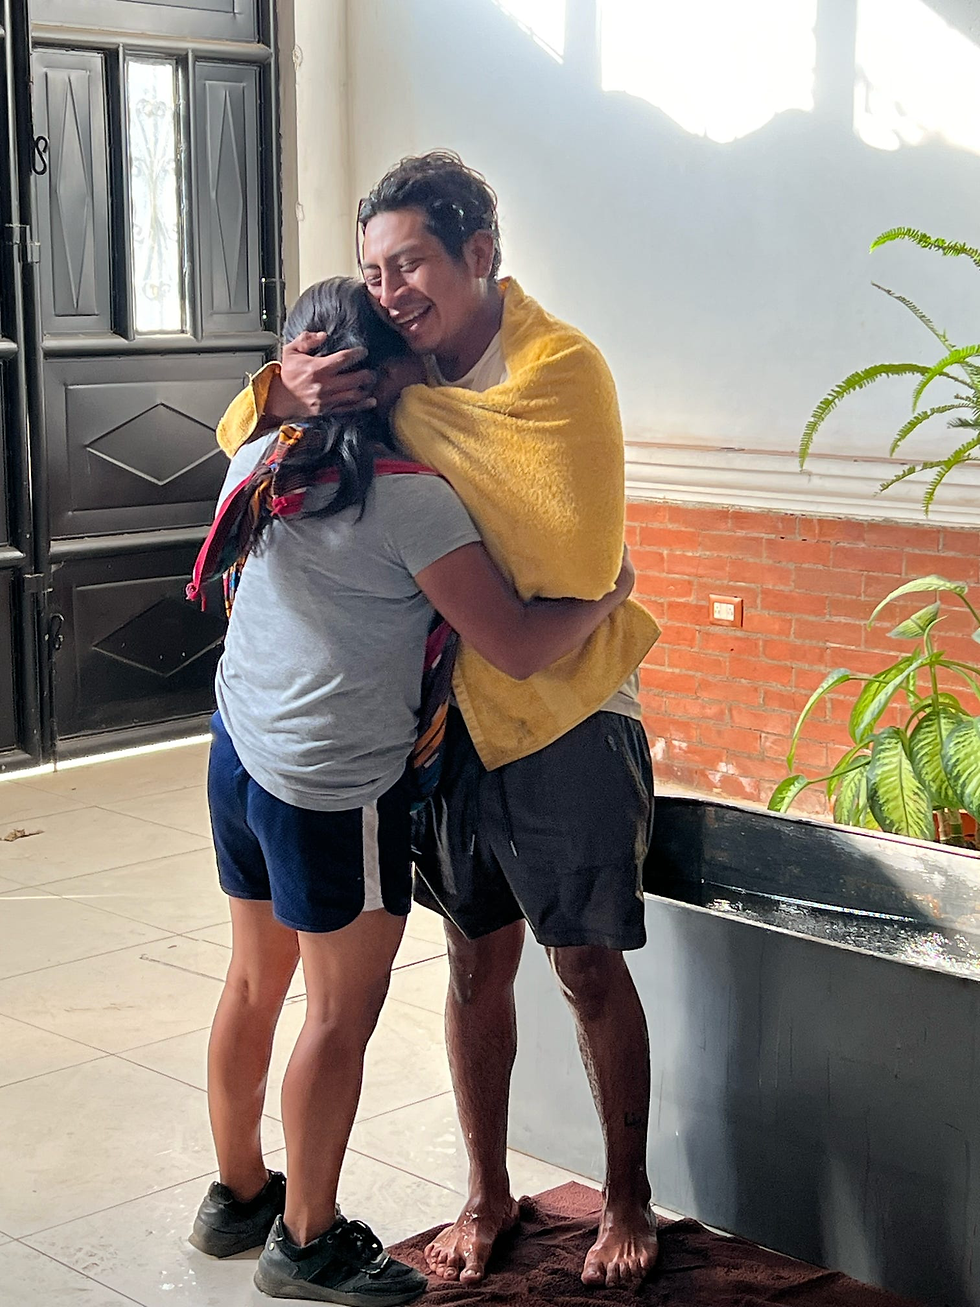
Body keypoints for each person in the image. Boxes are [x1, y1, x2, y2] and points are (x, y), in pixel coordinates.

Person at [214, 152, 662, 1291]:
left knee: (586, 964)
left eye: (409, 262)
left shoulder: (557, 371)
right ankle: (484, 1189)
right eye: (373, 269)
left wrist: (601, 593)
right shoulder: (387, 377)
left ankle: (626, 1195)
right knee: (472, 962)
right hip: (448, 715)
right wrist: (281, 393)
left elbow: (571, 558)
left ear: (479, 252)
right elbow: (247, 428)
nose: (391, 288)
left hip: (562, 706)